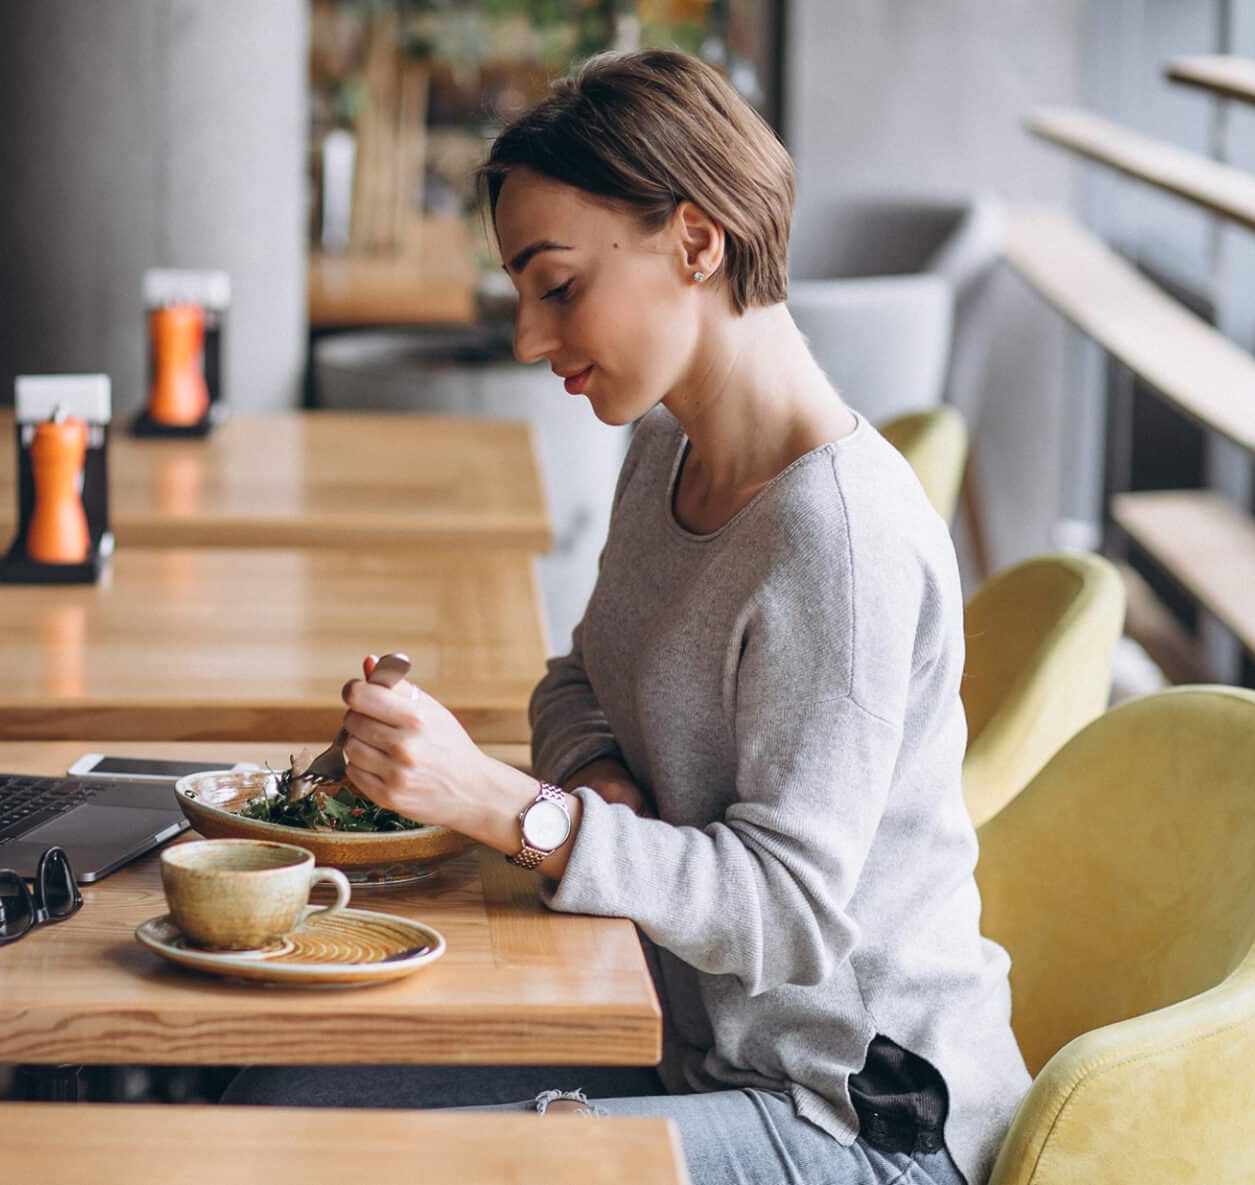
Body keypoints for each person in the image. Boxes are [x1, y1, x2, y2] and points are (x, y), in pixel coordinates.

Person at [221, 49, 1032, 1185]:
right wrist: (596, 791)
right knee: (273, 1103)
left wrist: (516, 810)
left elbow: (787, 915)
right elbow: (574, 681)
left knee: (354, 1162)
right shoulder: (665, 445)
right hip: (681, 1046)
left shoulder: (836, 544)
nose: (524, 337)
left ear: (696, 242)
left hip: (855, 1115)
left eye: (554, 287)